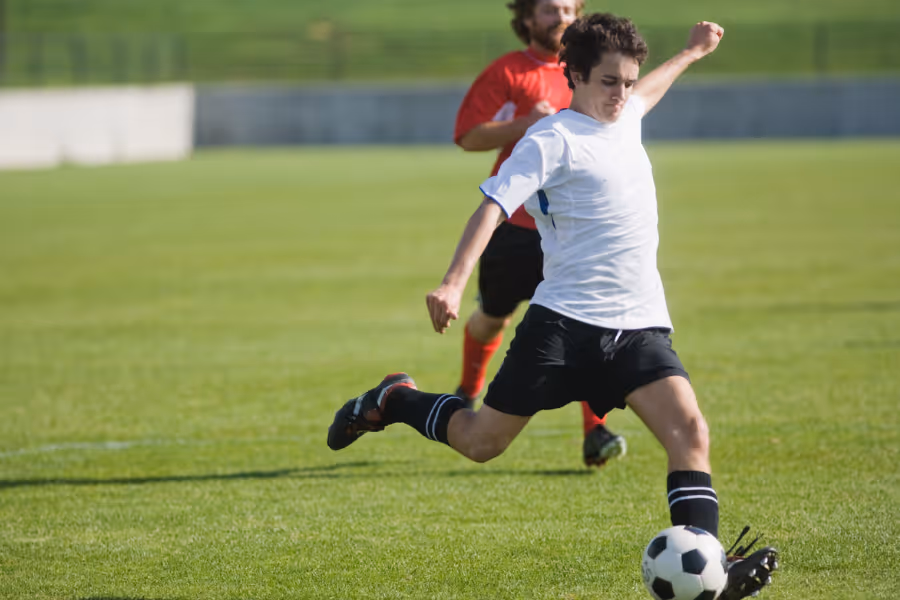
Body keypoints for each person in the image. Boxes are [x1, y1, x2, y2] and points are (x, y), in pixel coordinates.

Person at [328, 13, 778, 599]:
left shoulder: (628, 114)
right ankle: (394, 398)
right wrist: (453, 282)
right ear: (575, 76)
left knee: (691, 432)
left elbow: (650, 90)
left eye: (627, 81)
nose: (621, 94)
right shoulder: (551, 140)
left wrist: (691, 53)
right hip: (562, 328)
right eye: (608, 82)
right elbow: (491, 207)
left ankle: (709, 574)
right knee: (481, 442)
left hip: (638, 327)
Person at [454, 0, 626, 468]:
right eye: (550, 10)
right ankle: (467, 389)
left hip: (574, 230)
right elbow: (468, 135)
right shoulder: (509, 72)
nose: (562, 18)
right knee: (491, 319)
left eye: (569, 8)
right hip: (516, 227)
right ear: (528, 18)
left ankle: (596, 429)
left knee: (588, 324)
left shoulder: (594, 72)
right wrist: (524, 124)